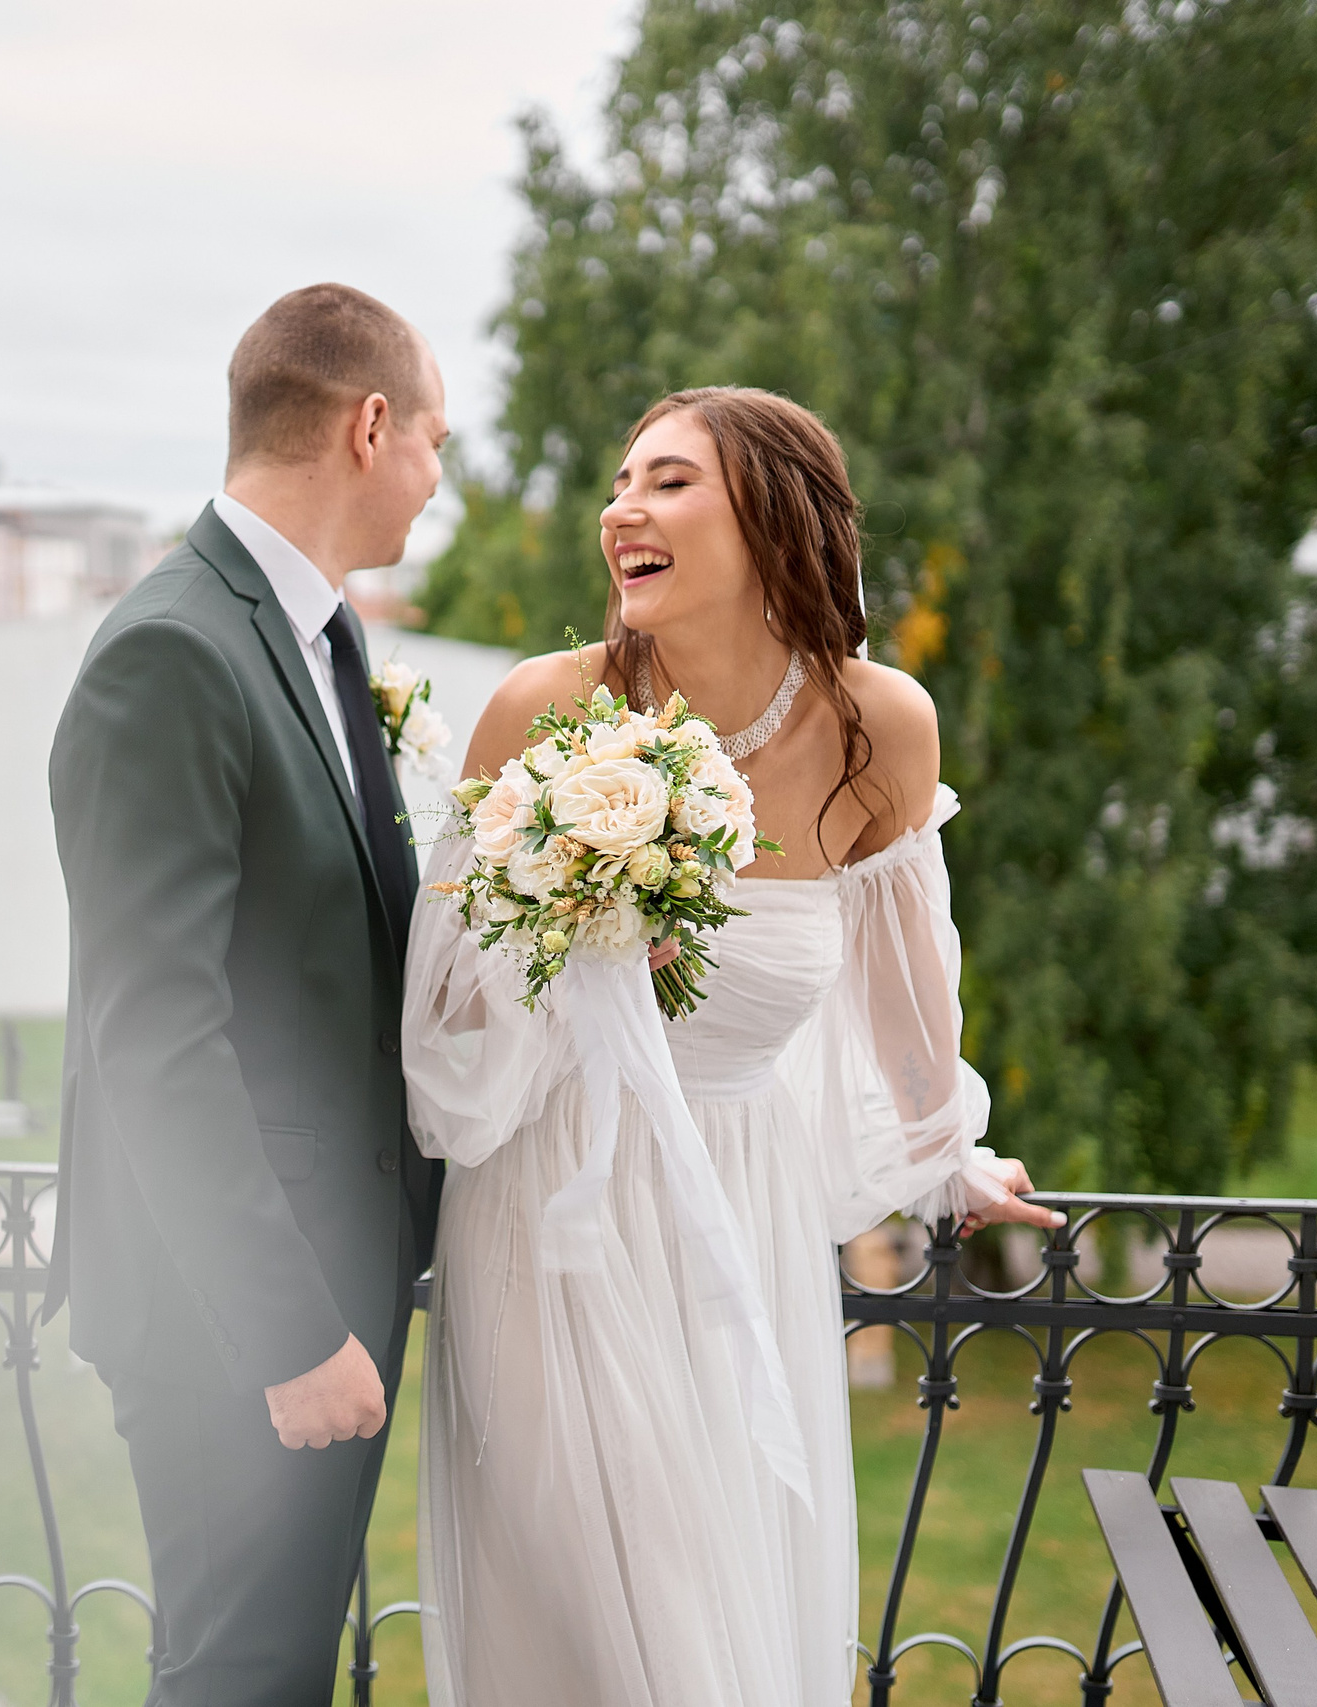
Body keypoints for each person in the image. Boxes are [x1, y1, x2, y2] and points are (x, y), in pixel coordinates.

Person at [402, 387, 1065, 1704]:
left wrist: (948, 1156)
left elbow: (903, 981)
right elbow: (440, 1002)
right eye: (621, 483)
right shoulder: (545, 711)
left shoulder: (882, 723)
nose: (620, 512)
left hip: (740, 1214)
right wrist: (571, 953)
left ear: (771, 516)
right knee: (594, 1614)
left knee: (716, 1595)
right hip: (552, 1208)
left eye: (667, 483)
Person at [46, 282, 449, 1706]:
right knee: (237, 1679)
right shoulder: (175, 650)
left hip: (321, 1284)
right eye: (435, 446)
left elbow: (344, 953)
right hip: (238, 1317)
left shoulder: (306, 641)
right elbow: (154, 1035)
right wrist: (287, 1332)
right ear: (370, 423)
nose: (435, 481)